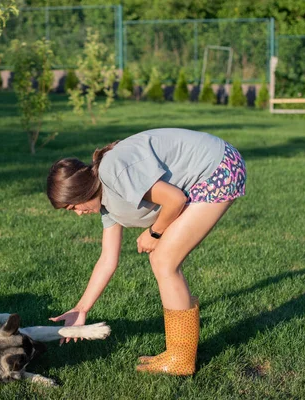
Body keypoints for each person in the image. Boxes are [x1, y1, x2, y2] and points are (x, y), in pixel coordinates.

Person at [46, 128, 246, 376]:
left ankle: (181, 359)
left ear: (81, 191)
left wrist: (154, 232)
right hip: (212, 169)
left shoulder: (112, 172)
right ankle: (178, 354)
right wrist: (81, 308)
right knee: (163, 261)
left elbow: (174, 199)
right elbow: (108, 260)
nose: (77, 213)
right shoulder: (107, 204)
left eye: (72, 206)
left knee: (164, 261)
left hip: (218, 167)